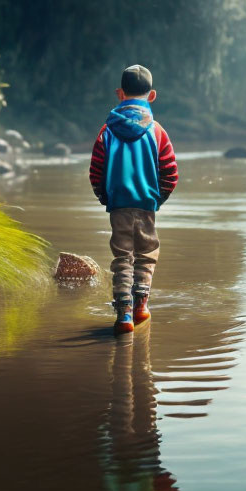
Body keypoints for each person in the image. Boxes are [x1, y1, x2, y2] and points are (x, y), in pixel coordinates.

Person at [89, 64, 178, 334]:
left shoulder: (106, 131)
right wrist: (156, 199)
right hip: (146, 203)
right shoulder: (158, 131)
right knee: (146, 254)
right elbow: (170, 173)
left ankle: (123, 314)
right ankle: (141, 305)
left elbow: (96, 171)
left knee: (122, 258)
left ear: (120, 94)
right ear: (152, 96)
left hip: (118, 205)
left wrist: (106, 197)